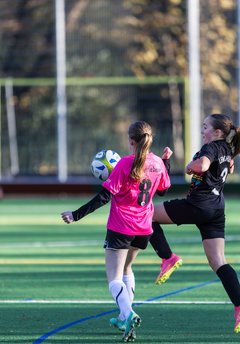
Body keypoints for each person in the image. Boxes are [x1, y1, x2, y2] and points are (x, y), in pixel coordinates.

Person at [61, 121, 171, 342]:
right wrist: (167, 162)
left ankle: (128, 313)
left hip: (121, 227)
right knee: (127, 269)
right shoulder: (158, 162)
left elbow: (104, 196)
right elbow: (162, 190)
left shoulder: (125, 164)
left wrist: (75, 214)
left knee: (113, 278)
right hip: (144, 228)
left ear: (131, 141)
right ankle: (123, 317)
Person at [152, 113, 240, 334]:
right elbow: (226, 165)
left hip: (198, 206)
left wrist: (191, 165)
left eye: (205, 127)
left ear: (218, 132)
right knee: (218, 261)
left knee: (146, 214)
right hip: (216, 210)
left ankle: (167, 257)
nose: (202, 131)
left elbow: (202, 165)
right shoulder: (227, 150)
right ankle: (239, 305)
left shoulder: (211, 148)